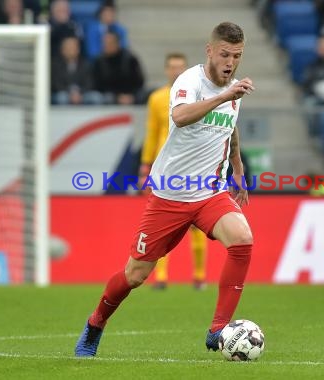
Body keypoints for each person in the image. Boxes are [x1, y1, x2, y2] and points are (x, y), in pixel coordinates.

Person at [75, 21, 255, 357]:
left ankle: (218, 330)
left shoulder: (233, 89)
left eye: (237, 56)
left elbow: (231, 126)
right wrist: (224, 95)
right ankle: (96, 323)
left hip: (209, 192)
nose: (231, 62)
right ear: (210, 50)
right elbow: (182, 116)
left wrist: (238, 167)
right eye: (225, 54)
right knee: (135, 274)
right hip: (170, 194)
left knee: (243, 239)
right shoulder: (190, 81)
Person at [138, 52, 208, 290]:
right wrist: (145, 165)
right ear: (166, 70)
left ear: (186, 70)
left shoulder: (199, 96)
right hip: (166, 169)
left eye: (180, 67)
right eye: (172, 67)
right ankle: (161, 278)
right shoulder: (157, 98)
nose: (176, 71)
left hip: (194, 168)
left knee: (197, 225)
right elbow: (152, 133)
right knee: (163, 225)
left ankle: (199, 277)